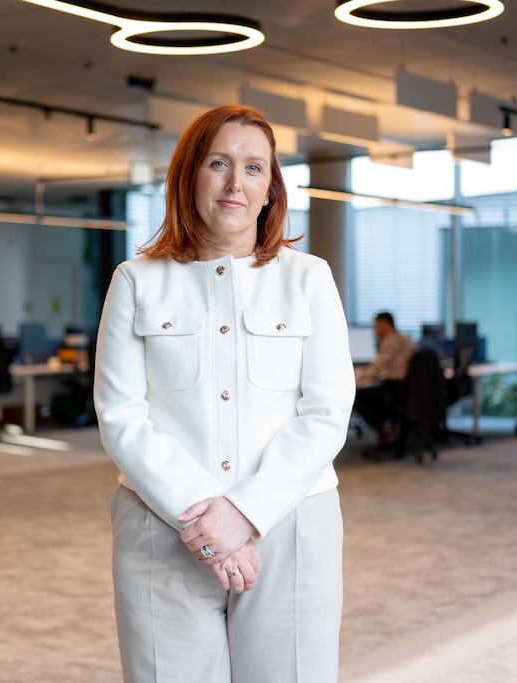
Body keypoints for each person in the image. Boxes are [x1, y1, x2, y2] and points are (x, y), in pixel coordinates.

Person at [93, 105, 355, 682]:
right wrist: (207, 518)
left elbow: (327, 413)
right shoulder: (136, 280)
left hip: (291, 521)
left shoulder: (308, 278)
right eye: (219, 163)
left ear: (270, 189)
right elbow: (120, 416)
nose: (237, 182)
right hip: (162, 523)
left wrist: (246, 513)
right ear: (190, 176)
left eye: (254, 167)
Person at [353, 311, 417, 445]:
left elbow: (377, 367)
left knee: (358, 396)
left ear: (385, 325)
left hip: (395, 388)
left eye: (376, 325)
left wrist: (355, 378)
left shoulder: (391, 340)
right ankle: (387, 427)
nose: (374, 329)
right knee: (368, 393)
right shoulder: (404, 338)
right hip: (405, 388)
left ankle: (384, 428)